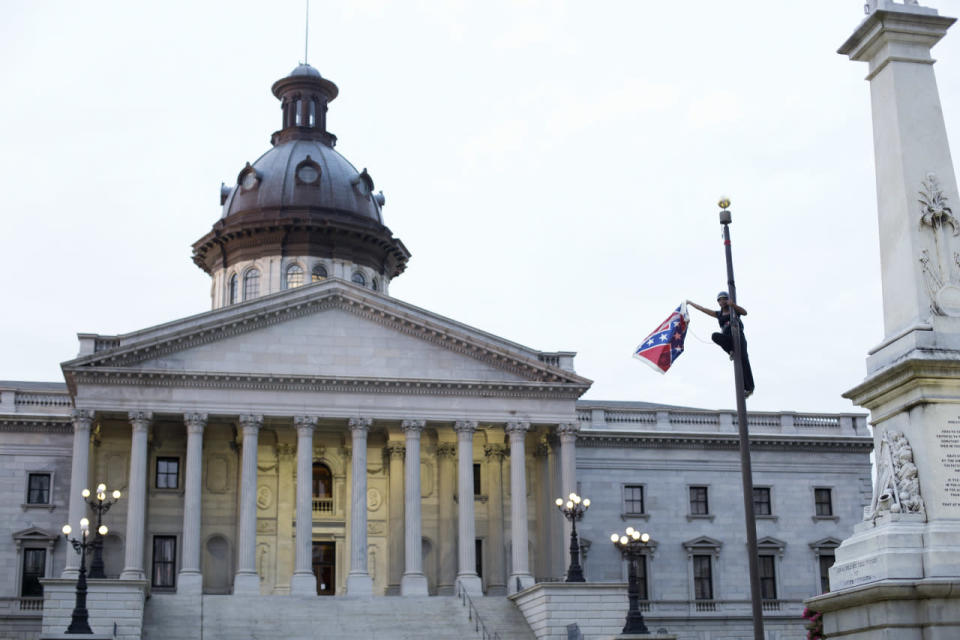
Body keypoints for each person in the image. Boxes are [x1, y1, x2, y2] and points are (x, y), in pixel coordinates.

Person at [687, 292, 755, 397]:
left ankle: (749, 388)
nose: (722, 301)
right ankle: (731, 351)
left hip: (738, 337)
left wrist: (733, 305)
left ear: (728, 299)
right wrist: (690, 303)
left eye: (724, 299)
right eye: (720, 300)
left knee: (744, 359)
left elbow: (745, 312)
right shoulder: (718, 314)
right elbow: (703, 309)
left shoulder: (734, 310)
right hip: (727, 338)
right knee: (715, 336)